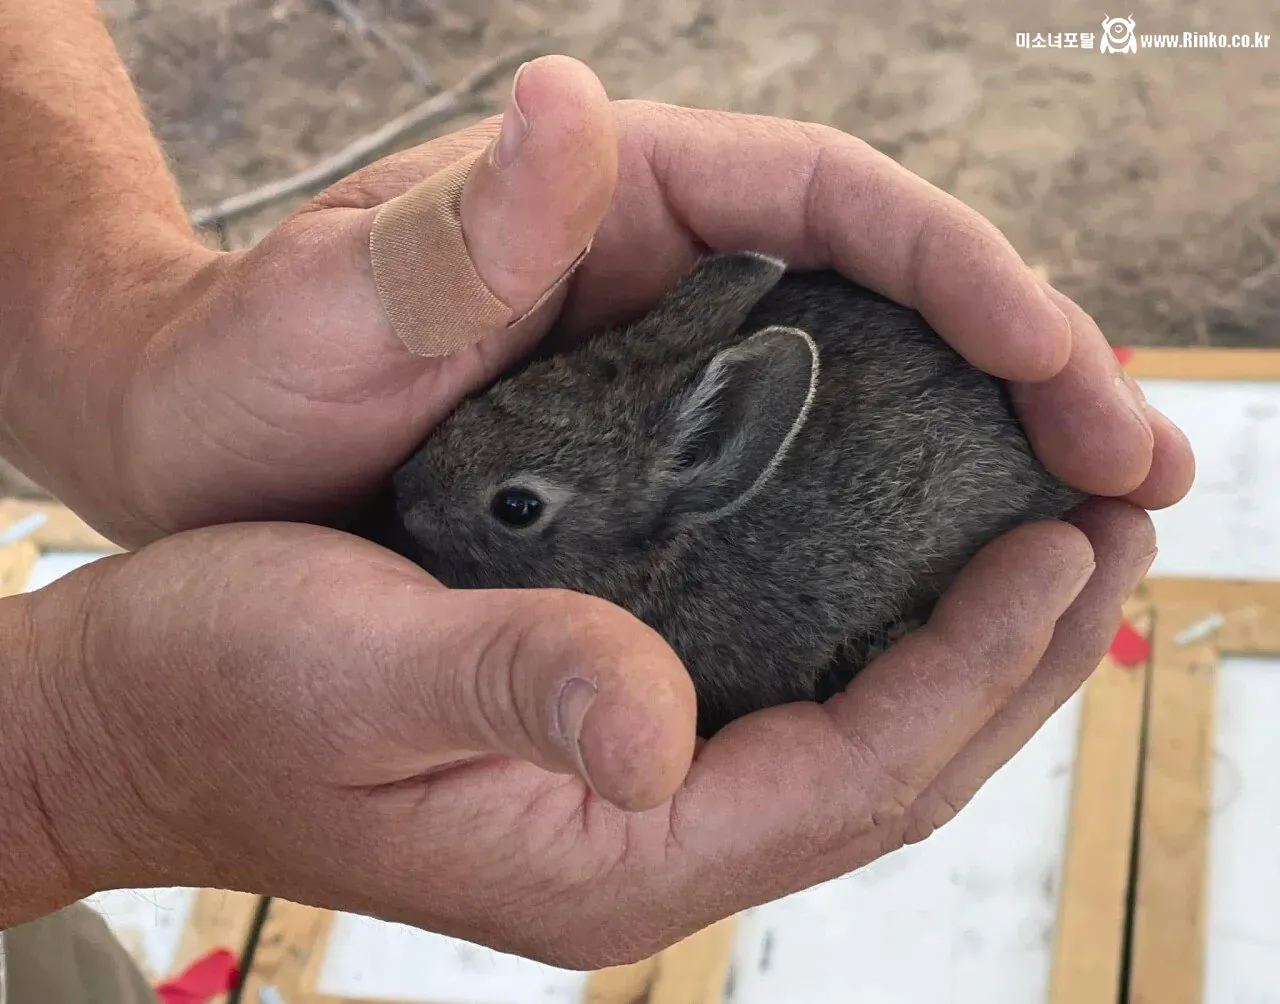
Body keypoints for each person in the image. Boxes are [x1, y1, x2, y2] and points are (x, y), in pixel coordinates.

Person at [0, 2, 1193, 1000]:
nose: (413, 498)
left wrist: (121, 344)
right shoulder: (623, 548)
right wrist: (70, 770)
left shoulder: (699, 587)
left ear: (685, 488)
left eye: (517, 509)